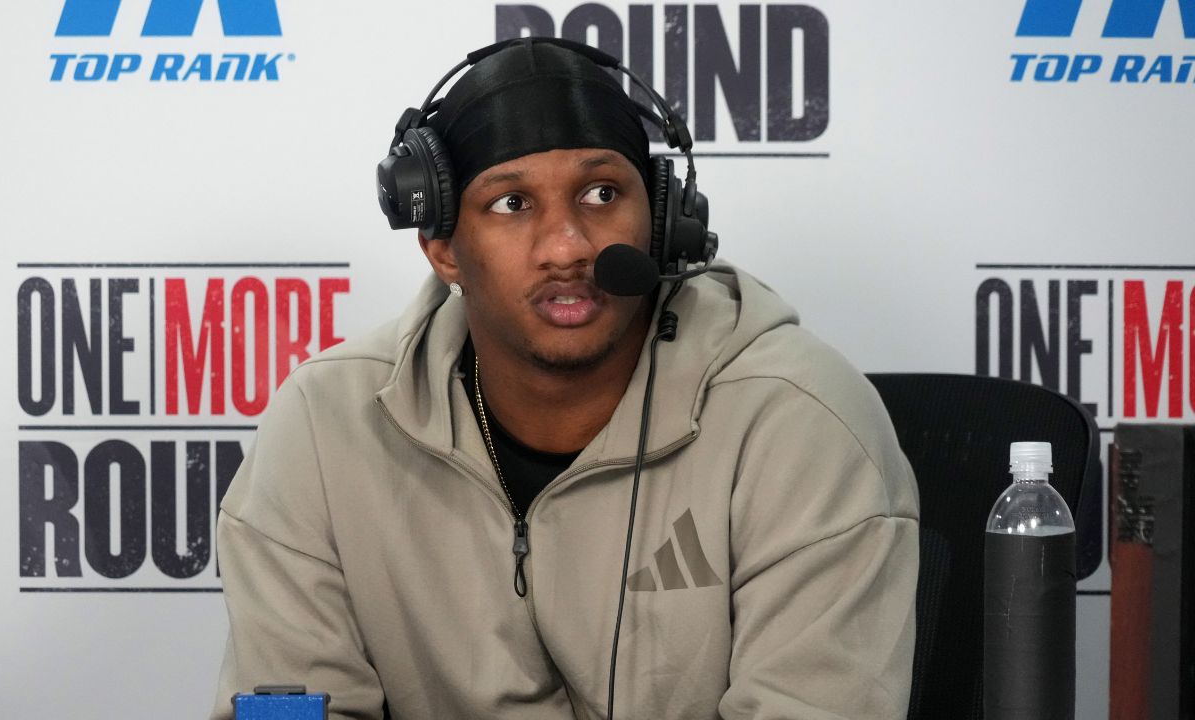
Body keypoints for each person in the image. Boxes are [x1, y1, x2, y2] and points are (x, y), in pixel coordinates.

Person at [211, 38, 919, 720]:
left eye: (603, 192)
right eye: (512, 204)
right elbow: (286, 704)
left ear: (665, 220)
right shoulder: (325, 426)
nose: (568, 246)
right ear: (442, 247)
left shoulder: (800, 423)